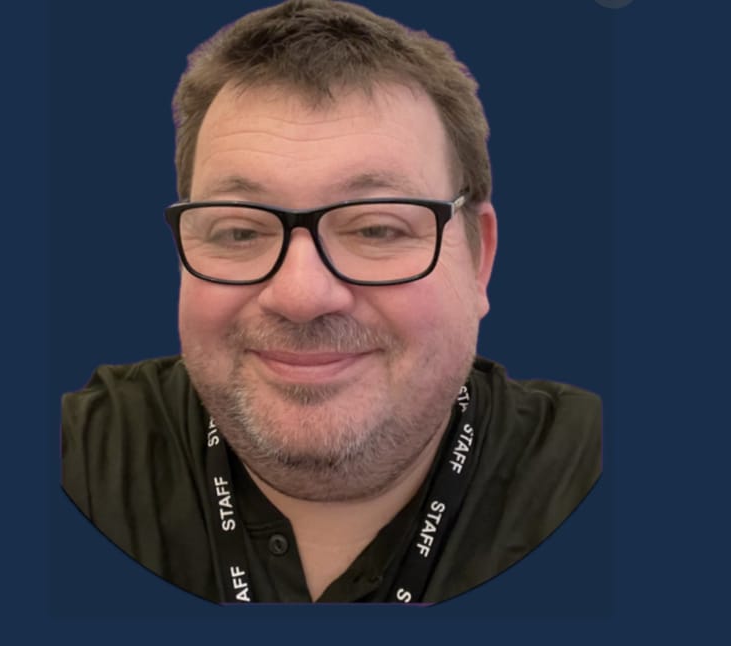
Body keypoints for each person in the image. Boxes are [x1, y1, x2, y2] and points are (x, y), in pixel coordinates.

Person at [61, 0, 601, 604]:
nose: (301, 296)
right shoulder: (77, 462)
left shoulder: (593, 471)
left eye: (376, 229)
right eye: (239, 231)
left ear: (479, 260)